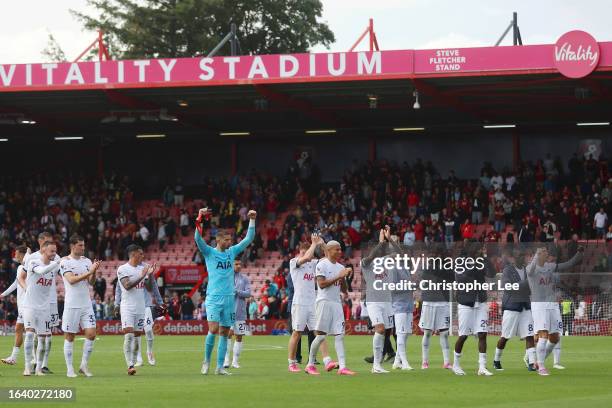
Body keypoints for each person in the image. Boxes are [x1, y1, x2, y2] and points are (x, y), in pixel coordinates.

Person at [195, 207, 256, 376]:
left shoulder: (232, 252)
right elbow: (197, 238)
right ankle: (206, 361)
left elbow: (249, 239)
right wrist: (200, 217)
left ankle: (220, 367)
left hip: (229, 298)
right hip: (214, 297)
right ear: (218, 240)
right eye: (227, 240)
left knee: (224, 332)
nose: (230, 242)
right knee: (213, 329)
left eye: (230, 239)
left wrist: (252, 220)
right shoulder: (209, 252)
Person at [526, 246, 582, 376]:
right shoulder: (531, 267)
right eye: (544, 252)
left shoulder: (550, 266)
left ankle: (538, 361)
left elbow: (568, 264)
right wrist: (536, 256)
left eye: (546, 251)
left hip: (552, 304)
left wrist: (579, 253)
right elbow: (529, 273)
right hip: (539, 305)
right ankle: (540, 366)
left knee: (555, 337)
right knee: (543, 336)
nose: (547, 253)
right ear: (538, 254)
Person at [287, 235, 337, 373]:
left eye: (306, 251)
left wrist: (322, 244)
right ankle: (291, 362)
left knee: (319, 333)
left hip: (312, 303)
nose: (305, 253)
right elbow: (307, 257)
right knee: (297, 333)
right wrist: (313, 244)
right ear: (299, 251)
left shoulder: (313, 264)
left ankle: (327, 361)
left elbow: (328, 258)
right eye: (303, 251)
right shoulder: (294, 262)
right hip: (299, 303)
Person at [305, 240, 355, 376]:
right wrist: (338, 276)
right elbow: (321, 284)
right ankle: (310, 365)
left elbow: (343, 289)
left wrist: (345, 278)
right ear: (329, 250)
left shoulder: (340, 266)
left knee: (340, 334)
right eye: (337, 250)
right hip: (324, 302)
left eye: (340, 249)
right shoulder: (322, 265)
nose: (340, 252)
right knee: (321, 336)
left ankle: (343, 367)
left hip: (336, 303)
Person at [59, 234, 100, 377]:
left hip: (86, 304)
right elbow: (71, 280)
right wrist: (89, 271)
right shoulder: (65, 262)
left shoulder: (87, 261)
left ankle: (83, 365)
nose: (83, 248)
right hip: (72, 305)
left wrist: (93, 272)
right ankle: (69, 368)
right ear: (72, 246)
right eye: (80, 245)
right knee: (70, 336)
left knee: (91, 334)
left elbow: (91, 282)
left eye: (84, 245)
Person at [453, 243, 496, 376]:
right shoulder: (460, 262)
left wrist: (485, 258)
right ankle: (456, 364)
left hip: (480, 302)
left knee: (482, 334)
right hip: (466, 302)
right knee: (463, 335)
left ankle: (482, 367)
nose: (480, 252)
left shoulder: (481, 261)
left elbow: (492, 274)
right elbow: (461, 278)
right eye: (479, 250)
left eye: (481, 250)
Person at [493, 249, 536, 372]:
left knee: (529, 335)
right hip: (511, 307)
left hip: (525, 306)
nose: (522, 258)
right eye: (519, 256)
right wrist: (525, 284)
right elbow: (508, 287)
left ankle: (532, 363)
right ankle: (496, 360)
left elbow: (530, 288)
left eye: (523, 255)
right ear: (513, 258)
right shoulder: (507, 270)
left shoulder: (527, 271)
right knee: (505, 336)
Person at [22, 241, 60, 376]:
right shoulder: (34, 263)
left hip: (45, 308)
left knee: (43, 339)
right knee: (30, 334)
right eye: (52, 251)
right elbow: (43, 271)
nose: (54, 254)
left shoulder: (54, 268)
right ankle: (27, 367)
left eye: (55, 251)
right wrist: (57, 263)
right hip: (30, 306)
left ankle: (38, 368)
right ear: (43, 250)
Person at [117, 244, 156, 375]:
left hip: (141, 308)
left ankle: (133, 363)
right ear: (133, 254)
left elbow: (149, 288)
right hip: (127, 307)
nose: (142, 256)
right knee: (128, 336)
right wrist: (142, 275)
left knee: (137, 337)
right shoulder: (122, 269)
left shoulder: (142, 268)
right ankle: (130, 365)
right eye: (140, 254)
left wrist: (149, 275)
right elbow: (127, 286)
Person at [114, 265, 164, 366]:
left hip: (146, 305)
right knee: (136, 333)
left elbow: (153, 286)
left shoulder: (145, 268)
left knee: (149, 330)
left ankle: (149, 352)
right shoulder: (125, 271)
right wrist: (117, 304)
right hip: (132, 306)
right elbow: (119, 289)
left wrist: (160, 301)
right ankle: (139, 359)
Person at [361, 227, 395, 374]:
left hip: (387, 301)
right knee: (380, 329)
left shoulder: (386, 261)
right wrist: (381, 242)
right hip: (374, 301)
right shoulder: (365, 263)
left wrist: (390, 239)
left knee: (387, 332)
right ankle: (376, 365)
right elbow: (372, 256)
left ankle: (379, 363)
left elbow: (401, 255)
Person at [418, 247, 453, 370]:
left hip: (443, 303)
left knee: (444, 333)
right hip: (429, 302)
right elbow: (424, 278)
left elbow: (452, 280)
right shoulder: (427, 268)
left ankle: (447, 362)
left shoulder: (447, 268)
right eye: (434, 255)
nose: (436, 257)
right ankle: (425, 361)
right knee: (427, 333)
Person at [1, 245, 29, 365]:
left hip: (29, 304)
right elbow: (15, 283)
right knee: (19, 329)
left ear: (22, 254)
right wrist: (3, 294)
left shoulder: (29, 266)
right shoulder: (20, 267)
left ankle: (35, 360)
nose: (14, 255)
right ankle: (13, 357)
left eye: (16, 253)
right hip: (22, 305)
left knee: (31, 332)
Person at [224, 260, 251, 369]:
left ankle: (235, 361)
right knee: (228, 335)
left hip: (240, 312)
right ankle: (226, 360)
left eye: (240, 264)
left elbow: (248, 293)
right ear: (231, 265)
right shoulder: (226, 278)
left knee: (239, 336)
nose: (239, 266)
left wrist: (237, 291)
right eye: (236, 264)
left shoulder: (244, 279)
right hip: (228, 311)